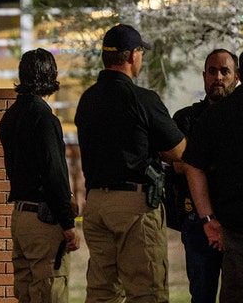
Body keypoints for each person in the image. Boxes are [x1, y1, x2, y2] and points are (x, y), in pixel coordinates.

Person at [74, 24, 186, 303]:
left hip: (96, 203)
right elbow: (178, 151)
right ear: (132, 55)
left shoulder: (87, 100)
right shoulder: (142, 99)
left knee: (102, 292)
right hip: (134, 207)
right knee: (147, 290)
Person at [182, 42, 243, 302]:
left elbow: (193, 166)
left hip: (236, 231)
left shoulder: (215, 116)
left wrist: (207, 218)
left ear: (239, 75)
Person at [0, 48, 81, 303]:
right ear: (53, 75)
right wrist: (68, 224)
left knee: (25, 293)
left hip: (20, 217)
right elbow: (54, 173)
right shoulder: (44, 119)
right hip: (43, 220)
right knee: (50, 291)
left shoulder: (10, 116)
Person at [167, 49, 239, 303]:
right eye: (212, 71)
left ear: (237, 76)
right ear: (204, 76)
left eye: (225, 71)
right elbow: (179, 164)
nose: (217, 77)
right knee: (201, 294)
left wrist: (196, 164)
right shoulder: (186, 119)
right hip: (197, 222)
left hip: (239, 223)